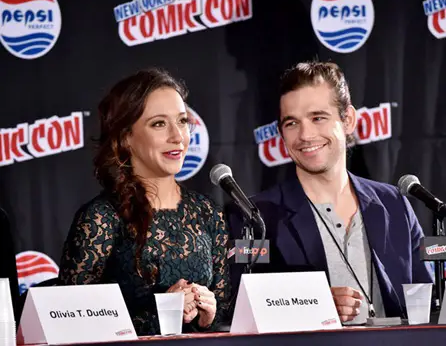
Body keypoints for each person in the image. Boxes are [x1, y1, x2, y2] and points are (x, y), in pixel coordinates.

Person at [226, 61, 433, 325]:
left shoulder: (394, 204)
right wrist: (315, 306)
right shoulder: (254, 217)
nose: (305, 134)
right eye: (292, 123)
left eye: (318, 118)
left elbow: (426, 303)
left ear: (347, 120)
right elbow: (240, 310)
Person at [58, 68, 231, 335]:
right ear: (126, 137)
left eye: (182, 121)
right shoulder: (101, 218)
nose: (178, 136)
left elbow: (223, 315)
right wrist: (164, 312)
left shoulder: (208, 212)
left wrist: (208, 315)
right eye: (159, 124)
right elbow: (70, 322)